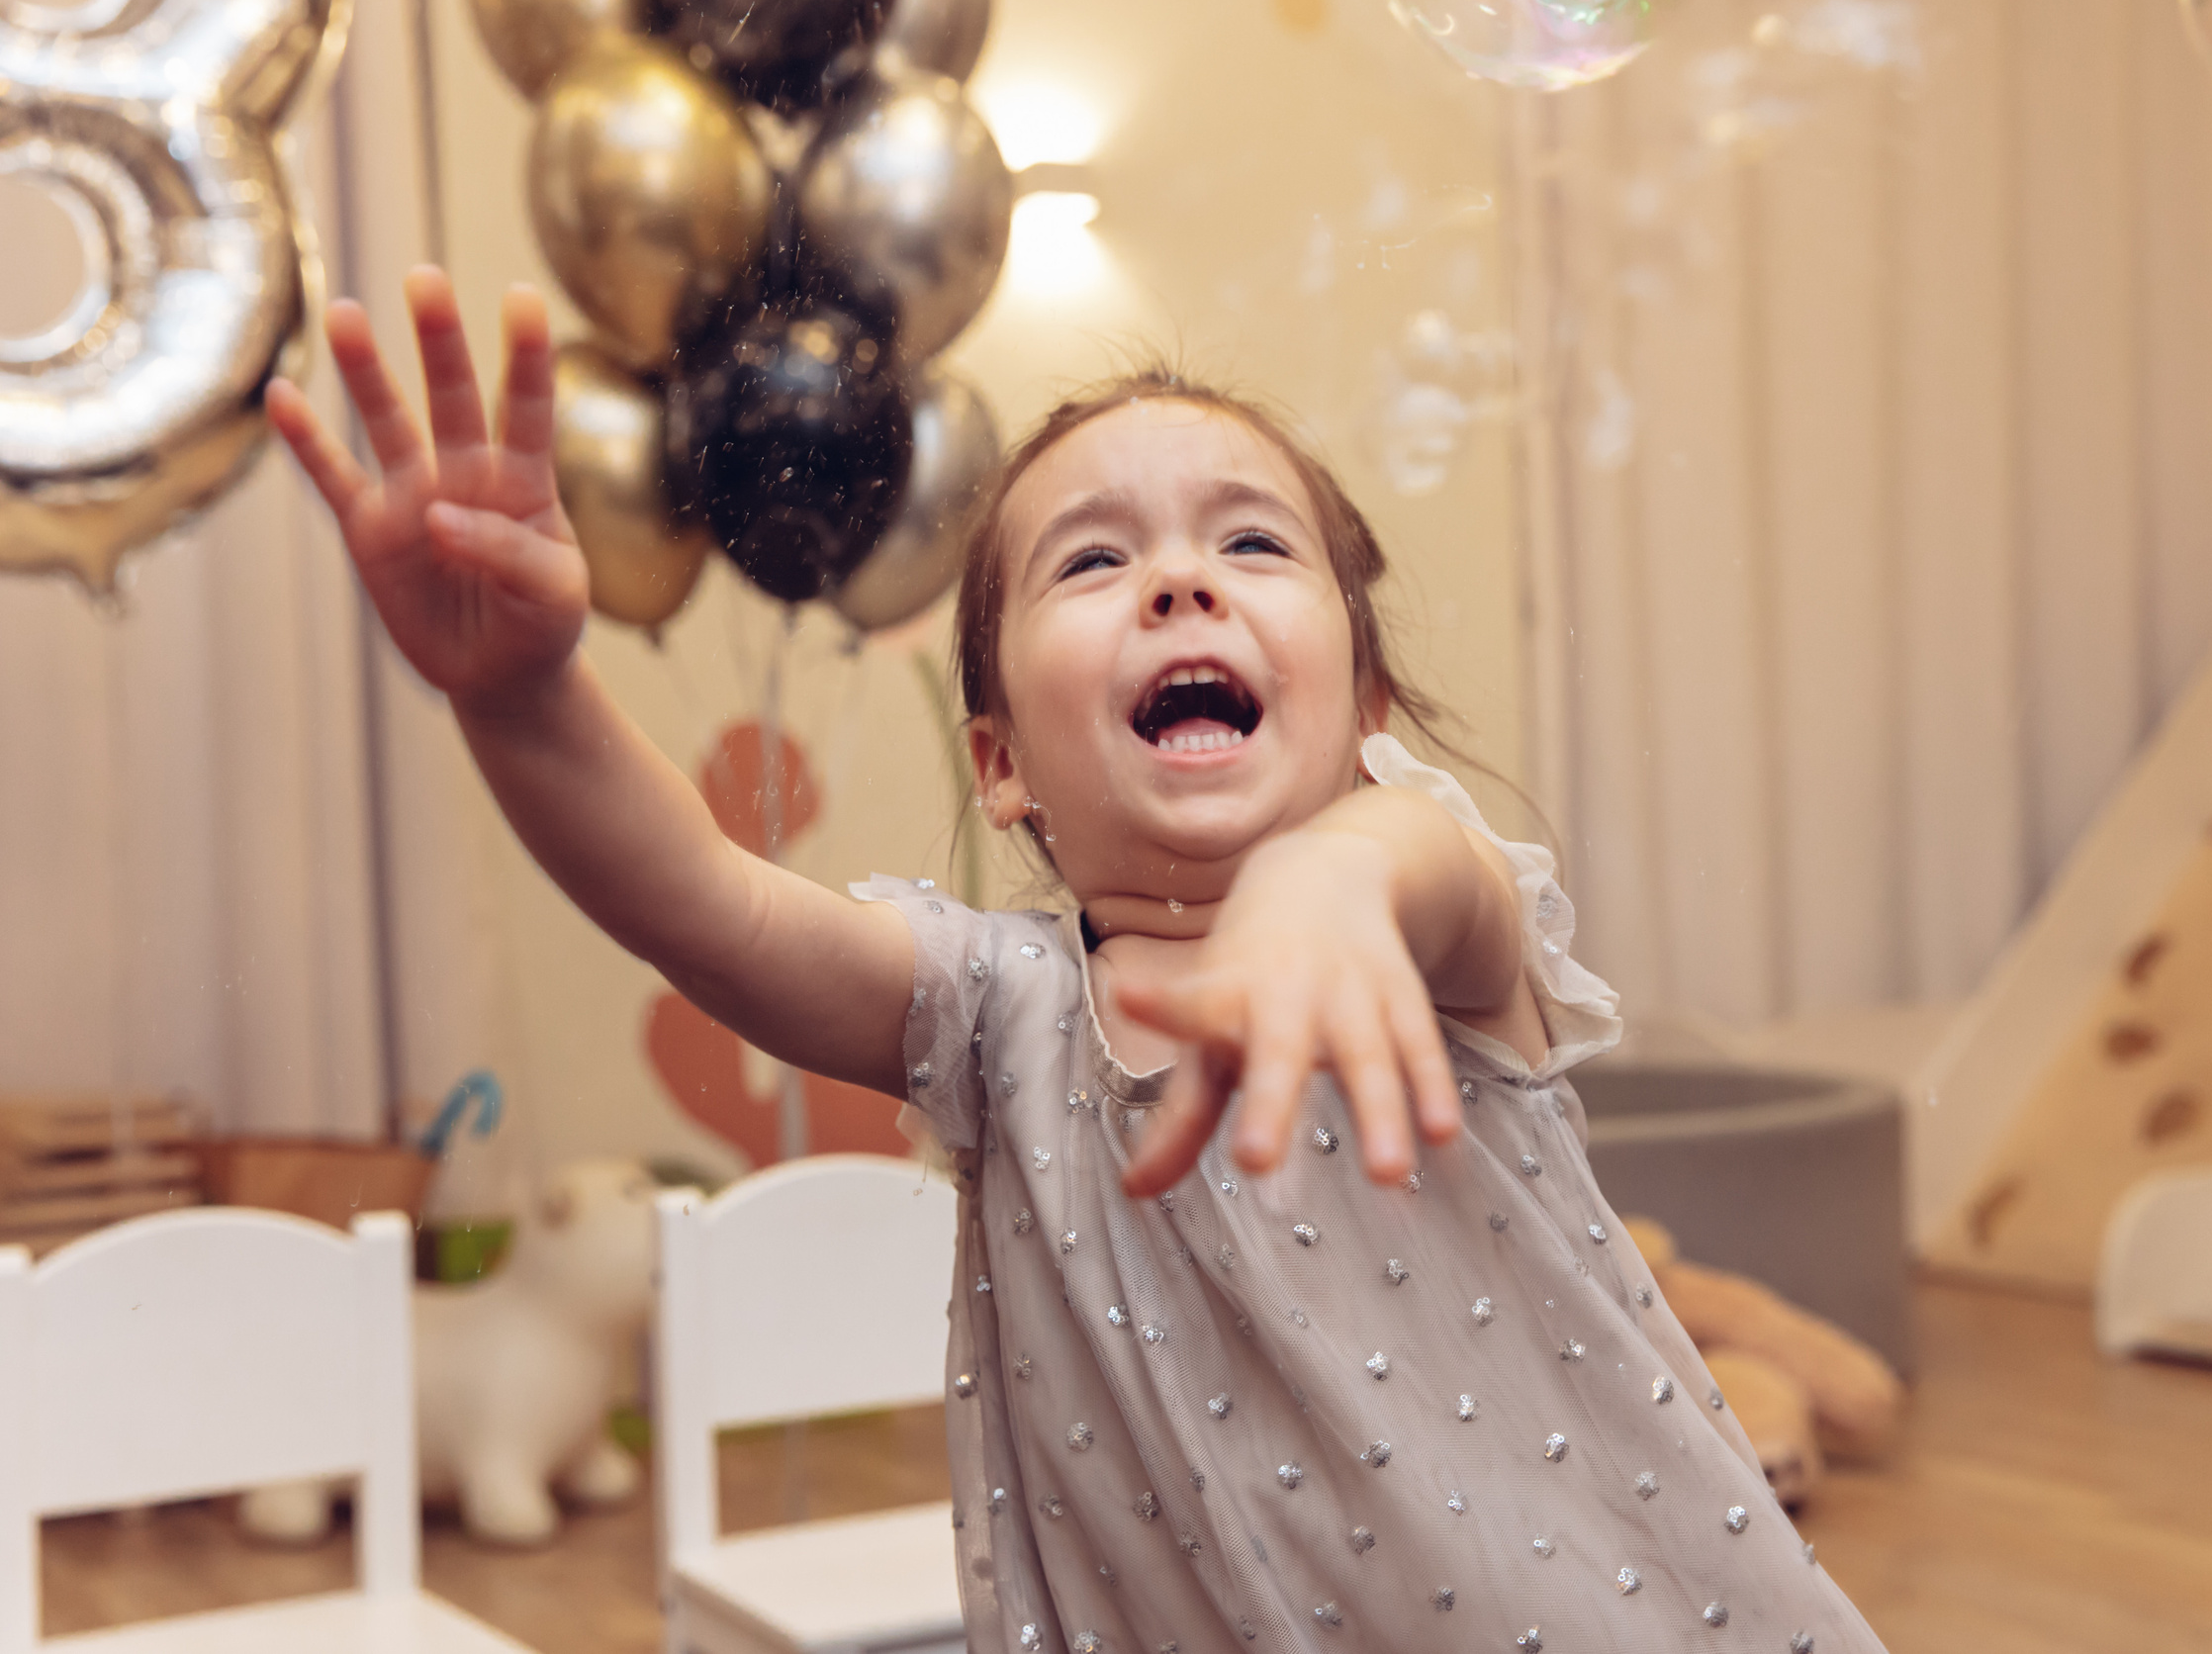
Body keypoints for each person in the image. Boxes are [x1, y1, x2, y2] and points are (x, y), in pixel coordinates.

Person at [268, 268, 1886, 1654]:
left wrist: (1331, 884)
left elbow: (1418, 869)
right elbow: (711, 907)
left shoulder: (1436, 925)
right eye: (1094, 564)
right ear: (1002, 768)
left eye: (1252, 546)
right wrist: (526, 696)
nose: (1179, 577)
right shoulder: (998, 1017)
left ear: (1371, 715)